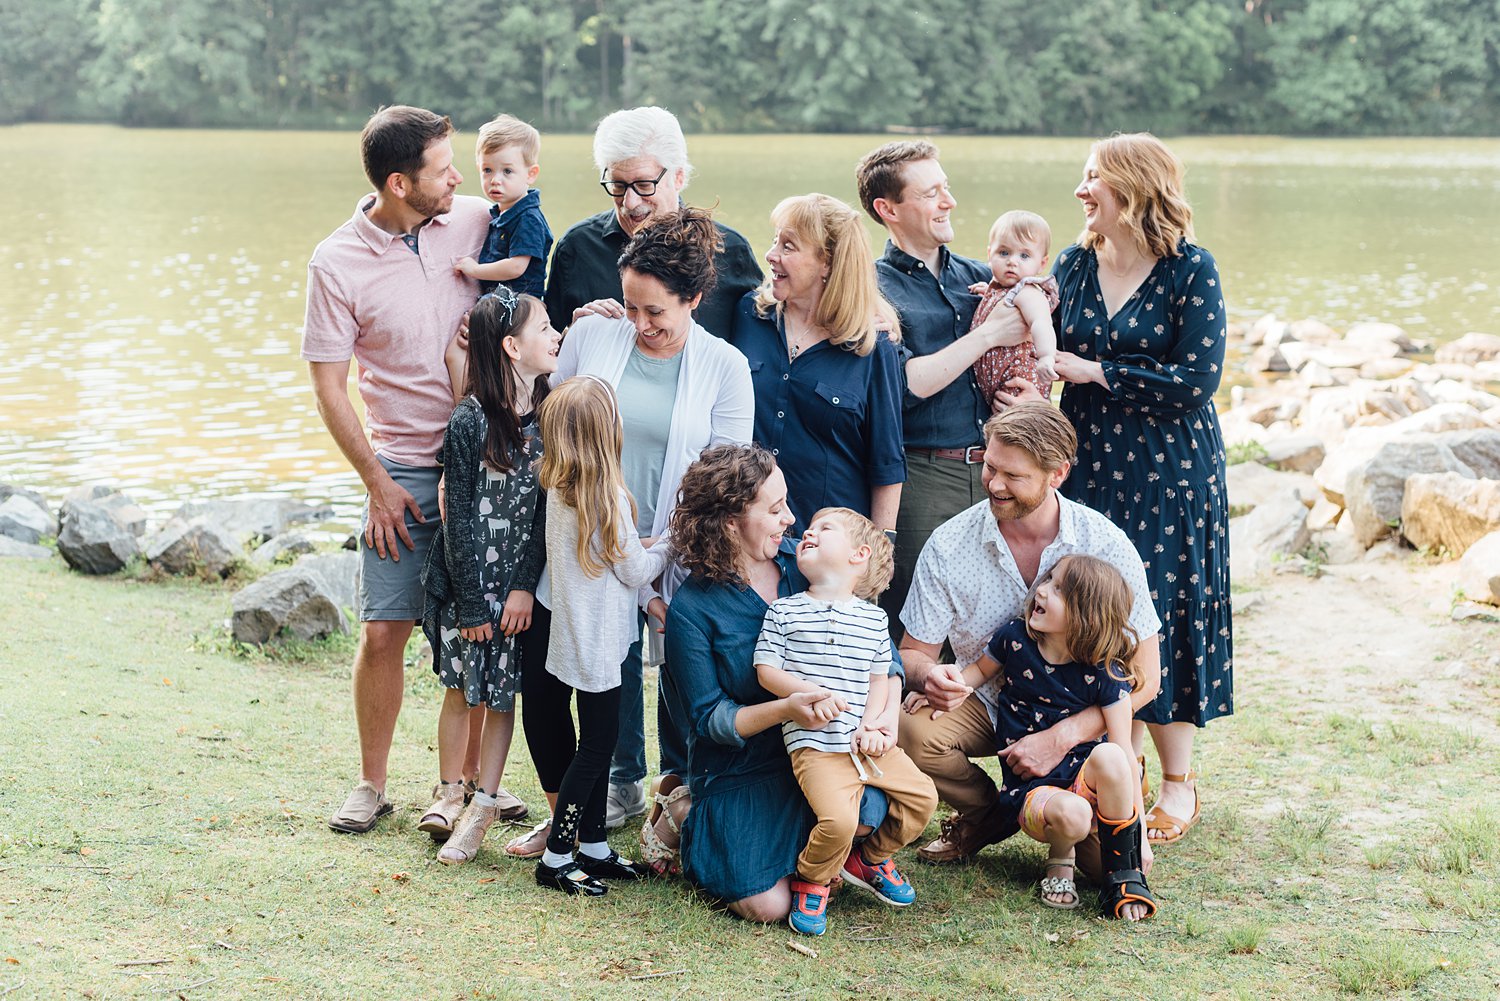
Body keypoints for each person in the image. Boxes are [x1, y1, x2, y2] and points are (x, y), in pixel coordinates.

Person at [302, 105, 492, 834]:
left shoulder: (475, 220)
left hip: (485, 465)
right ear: (398, 183)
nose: (458, 179)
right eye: (443, 171)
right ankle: (371, 782)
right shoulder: (336, 261)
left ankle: (472, 782)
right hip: (403, 473)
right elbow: (329, 387)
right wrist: (376, 484)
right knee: (386, 628)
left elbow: (538, 283)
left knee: (479, 628)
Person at [1048, 132, 1233, 847]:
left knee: (1167, 606)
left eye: (1092, 177)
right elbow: (1042, 345)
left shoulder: (1191, 269)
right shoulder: (1072, 263)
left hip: (1172, 469)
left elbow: (1196, 381)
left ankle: (1180, 778)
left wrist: (1095, 371)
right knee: (1099, 604)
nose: (1080, 190)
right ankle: (1108, 761)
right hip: (1090, 462)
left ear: (1131, 188)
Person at [550, 206, 754, 837]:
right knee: (603, 669)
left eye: (655, 312)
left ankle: (680, 790)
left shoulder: (725, 366)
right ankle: (615, 785)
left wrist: (667, 550)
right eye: (630, 306)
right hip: (595, 544)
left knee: (680, 668)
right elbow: (559, 435)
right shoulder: (593, 337)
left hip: (678, 544)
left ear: (692, 298)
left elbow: (723, 481)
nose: (639, 324)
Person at [895, 403, 1163, 863]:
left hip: (1083, 716)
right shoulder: (948, 544)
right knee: (909, 729)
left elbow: (1147, 678)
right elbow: (912, 652)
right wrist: (931, 678)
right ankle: (990, 812)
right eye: (989, 466)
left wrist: (1062, 735)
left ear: (1057, 473)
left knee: (1114, 868)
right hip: (987, 701)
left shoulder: (1104, 544)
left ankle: (1089, 808)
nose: (994, 484)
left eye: (1013, 476)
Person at [663, 445, 898, 923]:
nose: (791, 519)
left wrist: (882, 723)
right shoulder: (693, 608)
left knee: (871, 811)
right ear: (731, 521)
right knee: (766, 905)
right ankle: (683, 816)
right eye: (774, 510)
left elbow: (884, 660)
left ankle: (823, 856)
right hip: (743, 767)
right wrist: (788, 707)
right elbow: (711, 721)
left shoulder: (806, 565)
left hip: (824, 748)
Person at [912, 555, 1156, 920]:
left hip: (1090, 789)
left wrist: (1142, 839)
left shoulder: (1108, 673)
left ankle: (1126, 873)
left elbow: (1125, 756)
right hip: (1036, 792)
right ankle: (1060, 863)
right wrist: (942, 690)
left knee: (1112, 757)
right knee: (1070, 812)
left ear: (1086, 614)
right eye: (1048, 579)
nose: (1041, 590)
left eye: (1058, 589)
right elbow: (977, 673)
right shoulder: (1016, 639)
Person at [853, 140, 1030, 633]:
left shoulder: (983, 277)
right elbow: (905, 384)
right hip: (924, 478)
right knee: (917, 622)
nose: (948, 202)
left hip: (1001, 470)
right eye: (932, 193)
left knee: (1000, 619)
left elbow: (1028, 354)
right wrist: (989, 333)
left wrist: (1033, 396)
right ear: (888, 209)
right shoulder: (871, 287)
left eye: (945, 188)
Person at [416, 289, 558, 862]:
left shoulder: (551, 413)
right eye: (545, 327)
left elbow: (547, 510)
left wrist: (525, 585)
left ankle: (488, 797)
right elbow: (459, 516)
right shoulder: (471, 419)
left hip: (518, 588)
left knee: (503, 696)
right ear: (511, 346)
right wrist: (472, 602)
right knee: (460, 688)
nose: (556, 336)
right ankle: (451, 791)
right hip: (468, 580)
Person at [754, 508, 937, 936]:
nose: (808, 533)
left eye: (824, 529)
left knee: (922, 799)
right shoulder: (785, 612)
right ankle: (813, 878)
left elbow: (880, 680)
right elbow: (766, 670)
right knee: (838, 820)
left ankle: (868, 859)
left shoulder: (874, 620)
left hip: (866, 744)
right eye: (809, 529)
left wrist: (875, 725)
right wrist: (800, 693)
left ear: (859, 554)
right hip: (816, 746)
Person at [530, 377, 672, 896]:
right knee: (597, 747)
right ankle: (557, 855)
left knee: (593, 742)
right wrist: (671, 541)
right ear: (606, 433)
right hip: (598, 642)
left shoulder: (561, 485)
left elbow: (615, 553)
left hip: (571, 630)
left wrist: (641, 544)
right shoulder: (607, 495)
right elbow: (634, 569)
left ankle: (592, 846)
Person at [728, 193, 905, 535]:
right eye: (774, 240)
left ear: (828, 263)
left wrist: (878, 559)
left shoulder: (872, 346)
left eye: (788, 246)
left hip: (829, 549)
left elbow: (887, 465)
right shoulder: (748, 314)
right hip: (747, 540)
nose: (771, 255)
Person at [544, 106, 761, 337]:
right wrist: (570, 332)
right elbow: (547, 356)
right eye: (618, 185)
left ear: (678, 177)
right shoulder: (577, 248)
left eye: (644, 185)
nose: (629, 202)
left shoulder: (730, 250)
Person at [967, 210, 1060, 410]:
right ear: (989, 254)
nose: (1012, 261)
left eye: (1024, 255)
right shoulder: (1000, 290)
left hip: (1018, 381)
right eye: (1004, 253)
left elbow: (1041, 322)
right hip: (999, 384)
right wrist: (989, 295)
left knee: (1018, 433)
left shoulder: (1028, 291)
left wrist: (1046, 357)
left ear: (1042, 264)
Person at [453, 114, 553, 298]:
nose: (495, 180)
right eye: (487, 170)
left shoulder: (527, 218)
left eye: (507, 171)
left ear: (531, 174)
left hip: (519, 302)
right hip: (500, 298)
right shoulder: (501, 212)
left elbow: (516, 267)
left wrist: (475, 270)